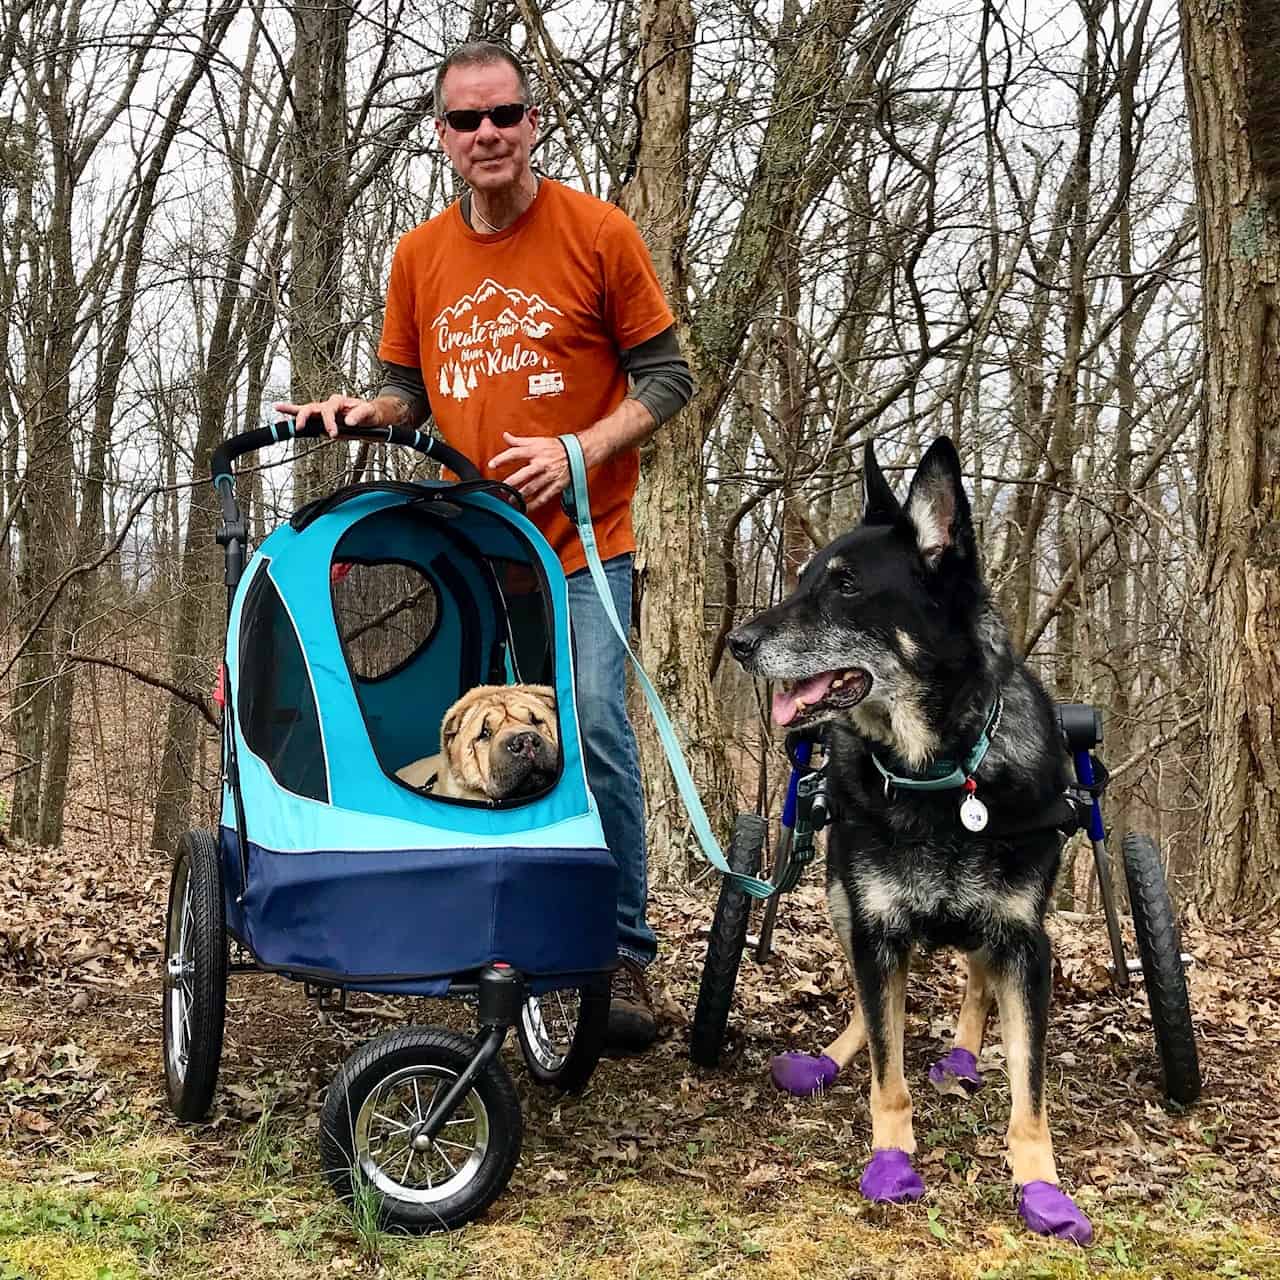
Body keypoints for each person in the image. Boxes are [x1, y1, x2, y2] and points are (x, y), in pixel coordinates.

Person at [276, 41, 695, 1051]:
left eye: (502, 114)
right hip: (478, 548)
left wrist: (578, 446)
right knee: (484, 746)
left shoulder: (596, 233)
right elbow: (405, 393)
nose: (487, 135)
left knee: (591, 727)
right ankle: (504, 941)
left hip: (588, 544)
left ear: (531, 120)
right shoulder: (419, 256)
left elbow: (669, 376)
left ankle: (621, 950)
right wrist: (357, 413)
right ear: (442, 137)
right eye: (465, 122)